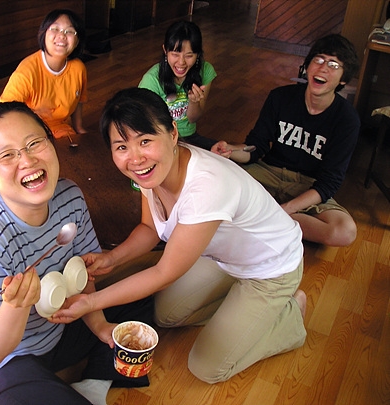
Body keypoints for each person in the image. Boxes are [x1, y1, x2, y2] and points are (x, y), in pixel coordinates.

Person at [52, 88, 307, 384]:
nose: (135, 158)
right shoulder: (149, 172)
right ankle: (243, 312)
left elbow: (164, 272)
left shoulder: (206, 186)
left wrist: (90, 303)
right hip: (225, 259)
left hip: (271, 268)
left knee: (207, 367)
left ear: (173, 133)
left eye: (145, 141)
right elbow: (150, 230)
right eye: (121, 146)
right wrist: (112, 258)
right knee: (166, 314)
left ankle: (290, 316)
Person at [0, 101, 154, 405]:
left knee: (137, 296)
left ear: (51, 140)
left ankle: (94, 384)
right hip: (3, 364)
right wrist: (16, 306)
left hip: (57, 331)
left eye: (34, 143)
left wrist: (99, 326)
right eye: (7, 155)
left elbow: (84, 276)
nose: (27, 160)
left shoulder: (70, 196)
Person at [212, 34, 360, 247]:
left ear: (343, 79)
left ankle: (262, 215)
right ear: (307, 66)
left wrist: (286, 209)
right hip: (267, 172)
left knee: (344, 231)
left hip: (307, 186)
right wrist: (231, 150)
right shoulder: (280, 97)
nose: (323, 68)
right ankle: (270, 220)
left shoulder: (347, 119)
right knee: (213, 180)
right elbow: (256, 146)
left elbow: (329, 183)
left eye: (333, 64)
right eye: (318, 60)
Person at [0, 9, 88, 139]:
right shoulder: (26, 72)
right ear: (43, 34)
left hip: (59, 128)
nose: (62, 35)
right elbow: (4, 113)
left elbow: (79, 100)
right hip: (28, 130)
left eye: (69, 31)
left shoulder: (78, 68)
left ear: (77, 41)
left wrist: (79, 127)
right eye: (55, 29)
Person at [139, 20, 217, 151]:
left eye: (189, 56)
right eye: (175, 54)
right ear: (165, 50)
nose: (181, 62)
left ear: (198, 54)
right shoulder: (151, 80)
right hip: (161, 139)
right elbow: (144, 126)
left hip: (189, 137)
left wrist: (194, 102)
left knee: (222, 154)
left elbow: (192, 119)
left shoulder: (205, 71)